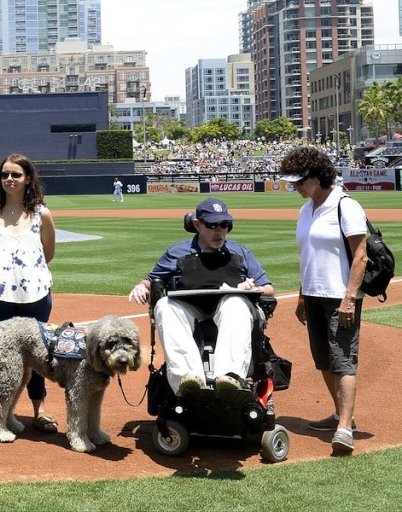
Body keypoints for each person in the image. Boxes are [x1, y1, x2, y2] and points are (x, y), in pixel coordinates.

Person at [128, 197, 273, 396]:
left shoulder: (240, 253)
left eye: (224, 225)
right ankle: (187, 380)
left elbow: (268, 288)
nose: (219, 230)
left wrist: (250, 289)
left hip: (228, 307)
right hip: (191, 309)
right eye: (212, 225)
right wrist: (141, 286)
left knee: (234, 303)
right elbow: (151, 280)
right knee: (165, 305)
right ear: (197, 225)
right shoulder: (177, 252)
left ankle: (230, 378)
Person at [280, 146, 367, 454]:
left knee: (343, 359)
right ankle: (341, 414)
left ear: (318, 176)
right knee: (323, 359)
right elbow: (308, 256)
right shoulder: (307, 209)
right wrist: (303, 296)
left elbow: (360, 255)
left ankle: (344, 428)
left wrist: (349, 299)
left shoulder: (345, 206)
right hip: (314, 294)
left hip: (340, 295)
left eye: (300, 180)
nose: (295, 187)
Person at [0, 153, 57, 432]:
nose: (9, 179)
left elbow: (48, 253)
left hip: (35, 294)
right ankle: (3, 412)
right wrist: (3, 274)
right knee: (4, 357)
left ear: (28, 178)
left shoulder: (41, 213)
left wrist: (26, 276)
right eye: (5, 174)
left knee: (38, 355)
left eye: (16, 174)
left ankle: (39, 409)